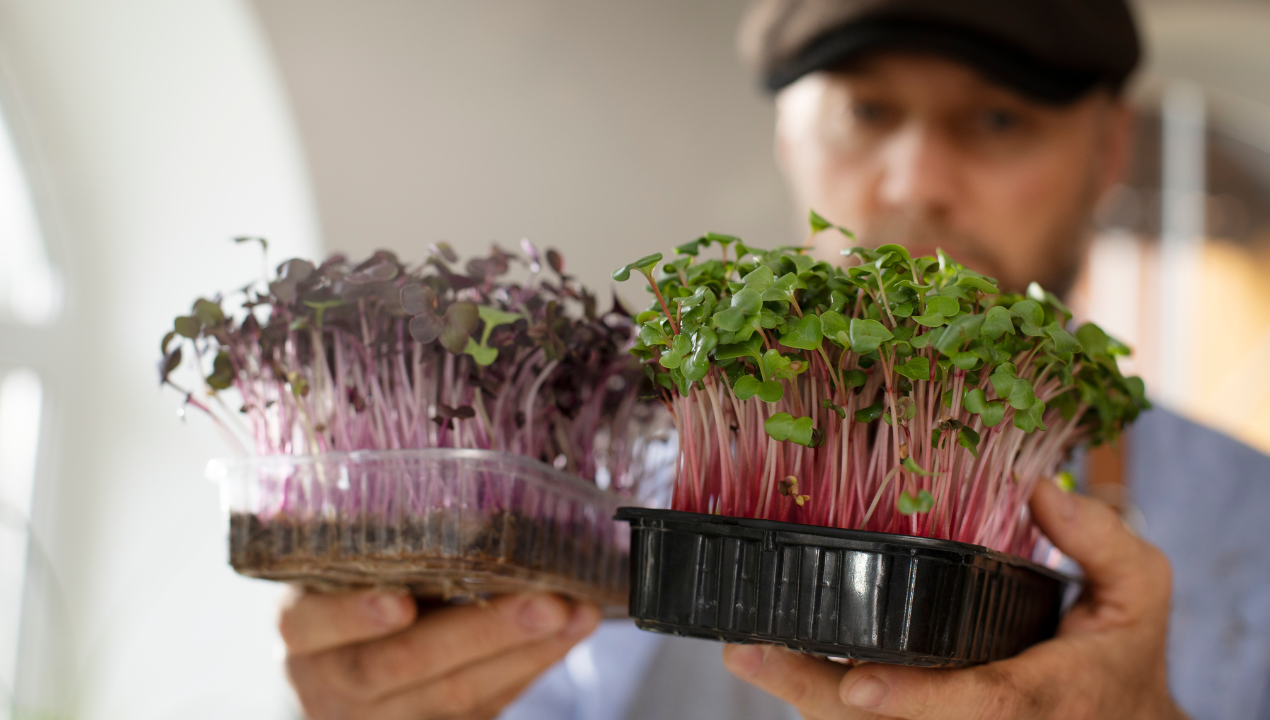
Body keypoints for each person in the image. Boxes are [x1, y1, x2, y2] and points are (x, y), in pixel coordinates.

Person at [278, 1, 1270, 718]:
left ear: (1106, 153)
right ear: (789, 137)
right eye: (866, 112)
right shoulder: (593, 489)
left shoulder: (1247, 522)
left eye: (998, 119)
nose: (914, 180)